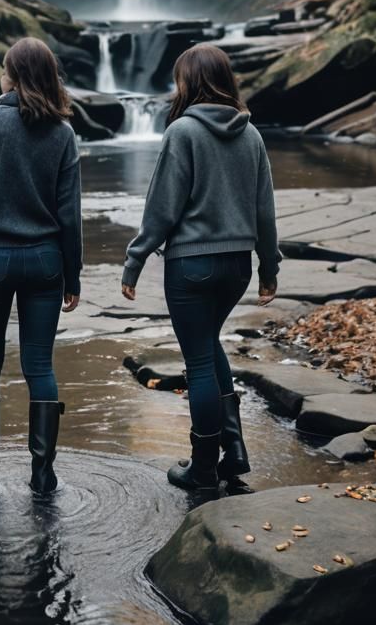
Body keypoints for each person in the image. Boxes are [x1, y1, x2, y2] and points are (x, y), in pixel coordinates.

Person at [120, 44, 280, 492]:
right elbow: (264, 211)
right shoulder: (252, 135)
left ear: (189, 82)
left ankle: (204, 466)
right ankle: (236, 453)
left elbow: (162, 208)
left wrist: (135, 260)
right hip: (237, 267)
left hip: (191, 265)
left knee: (198, 361)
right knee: (209, 346)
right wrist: (269, 267)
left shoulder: (183, 132)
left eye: (178, 79)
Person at [0, 37, 83, 496]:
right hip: (46, 260)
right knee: (39, 365)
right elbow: (70, 212)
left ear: (13, 76)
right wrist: (74, 272)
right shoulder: (63, 132)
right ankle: (42, 473)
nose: (0, 75)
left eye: (4, 68)